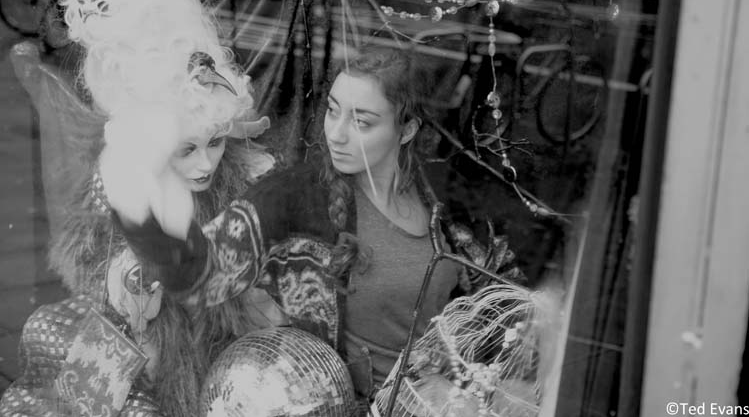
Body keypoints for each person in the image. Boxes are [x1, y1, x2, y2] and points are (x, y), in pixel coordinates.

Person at [99, 43, 524, 402]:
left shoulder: (449, 196)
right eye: (332, 111)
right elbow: (199, 278)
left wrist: (471, 374)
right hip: (344, 405)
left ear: (407, 129)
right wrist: (135, 198)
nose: (336, 133)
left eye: (361, 122)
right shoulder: (294, 199)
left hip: (448, 398)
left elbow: (505, 296)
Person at [0, 0, 275, 417]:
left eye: (215, 142)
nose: (205, 165)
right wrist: (120, 277)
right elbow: (85, 249)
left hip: (226, 354)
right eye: (185, 150)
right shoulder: (124, 180)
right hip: (145, 350)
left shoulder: (233, 173)